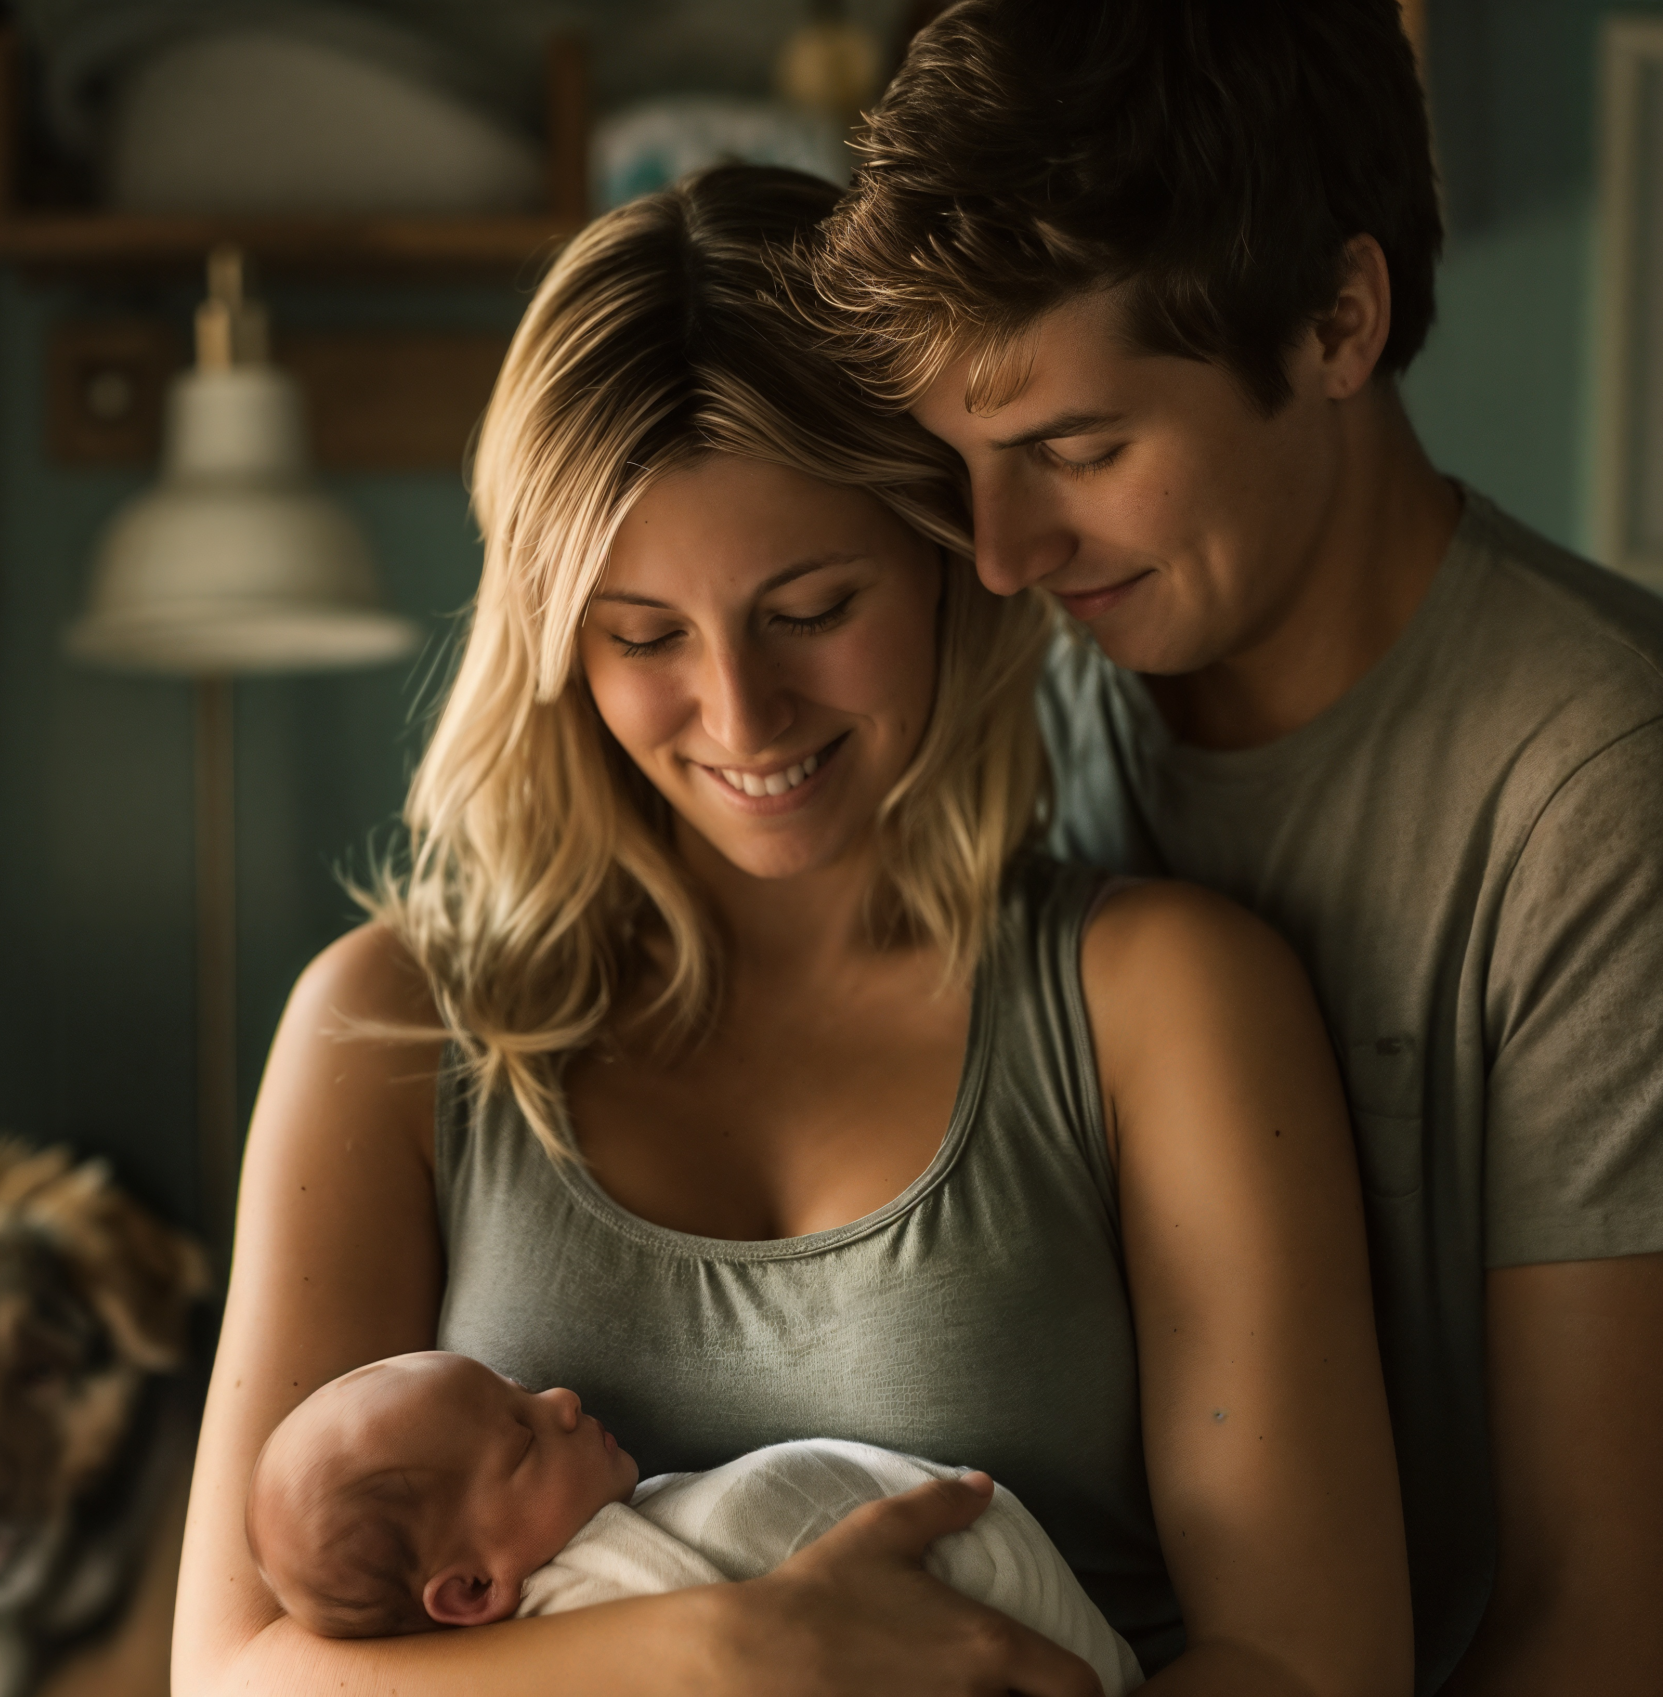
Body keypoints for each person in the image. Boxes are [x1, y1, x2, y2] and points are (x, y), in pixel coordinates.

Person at [171, 165, 1413, 1697]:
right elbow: (238, 1676)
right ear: (554, 645)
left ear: (949, 563)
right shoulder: (391, 1024)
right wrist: (732, 1652)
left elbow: (1318, 1662)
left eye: (814, 608)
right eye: (644, 637)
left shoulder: (1168, 1003)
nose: (743, 716)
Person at [814, 4, 1663, 1693]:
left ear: (1337, 321)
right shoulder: (1019, 696)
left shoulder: (1616, 792)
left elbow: (1615, 1621)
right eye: (961, 467)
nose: (996, 556)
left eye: (1076, 451)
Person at [241, 1350, 1143, 1695]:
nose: (560, 1398)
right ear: (472, 1587)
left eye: (519, 1385)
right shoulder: (596, 1594)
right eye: (521, 1436)